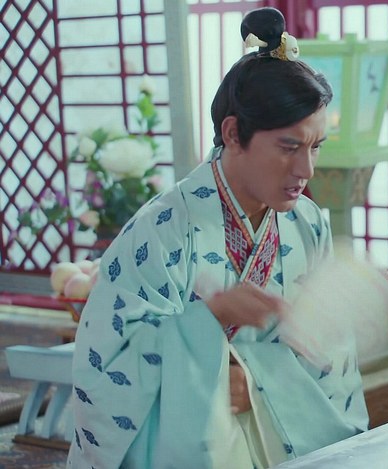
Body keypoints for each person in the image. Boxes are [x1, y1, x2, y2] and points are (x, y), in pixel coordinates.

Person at [67, 7, 369, 468]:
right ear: (233, 133)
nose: (306, 170)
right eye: (289, 147)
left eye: (315, 147)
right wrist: (210, 320)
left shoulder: (308, 224)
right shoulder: (162, 231)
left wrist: (256, 381)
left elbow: (331, 361)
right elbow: (106, 366)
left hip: (280, 443)